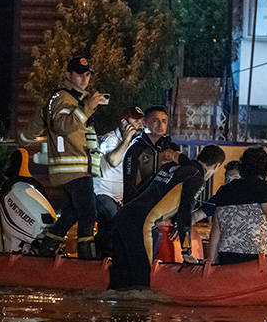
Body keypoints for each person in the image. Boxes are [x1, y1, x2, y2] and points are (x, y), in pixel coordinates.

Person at [111, 144, 226, 289]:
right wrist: (186, 251)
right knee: (141, 282)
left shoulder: (172, 166)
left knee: (120, 279)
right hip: (141, 223)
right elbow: (185, 211)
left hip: (122, 216)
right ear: (216, 166)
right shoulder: (196, 177)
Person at [33, 56, 107, 259]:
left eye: (88, 74)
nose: (85, 78)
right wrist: (88, 108)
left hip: (79, 166)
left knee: (72, 213)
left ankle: (47, 247)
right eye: (79, 74)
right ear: (68, 75)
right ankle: (86, 257)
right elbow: (62, 126)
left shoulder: (76, 99)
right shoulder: (62, 98)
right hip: (72, 168)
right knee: (88, 212)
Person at [206, 147, 267, 265]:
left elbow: (216, 229)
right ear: (266, 168)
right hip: (254, 258)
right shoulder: (263, 188)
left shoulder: (223, 190)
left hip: (226, 256)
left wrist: (210, 260)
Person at [92, 106, 145, 258]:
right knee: (118, 221)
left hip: (118, 197)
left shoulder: (133, 143)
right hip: (102, 193)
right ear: (124, 122)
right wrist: (127, 139)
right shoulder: (111, 139)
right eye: (135, 120)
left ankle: (101, 256)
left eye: (141, 121)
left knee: (109, 227)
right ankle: (103, 254)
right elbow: (113, 161)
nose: (139, 124)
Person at [122, 105, 169, 201]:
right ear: (144, 123)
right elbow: (129, 188)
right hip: (141, 206)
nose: (161, 125)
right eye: (155, 121)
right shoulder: (135, 149)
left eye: (164, 121)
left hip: (164, 208)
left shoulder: (170, 148)